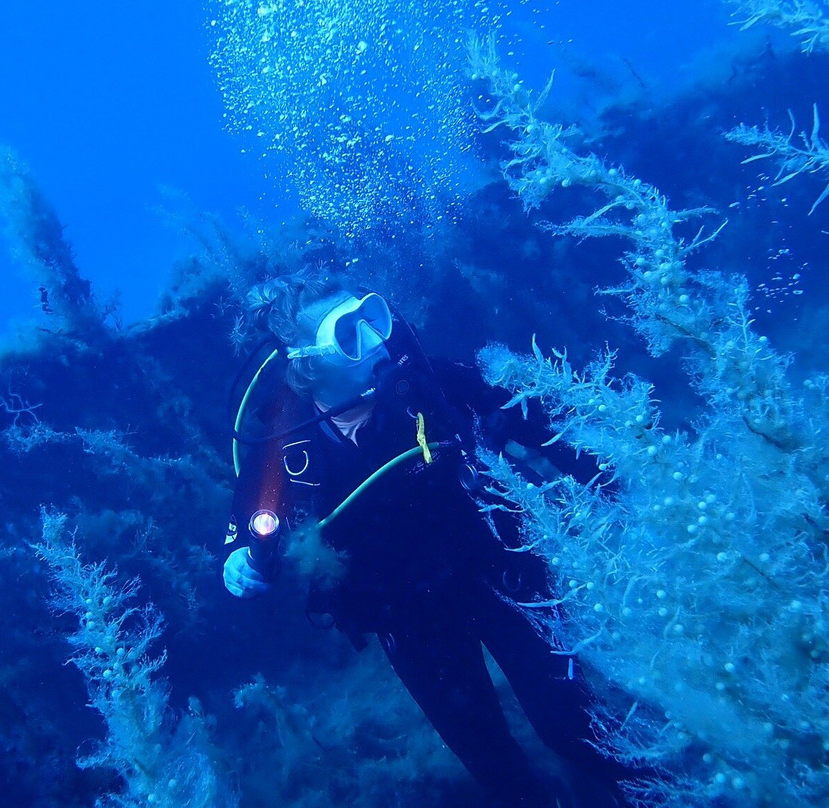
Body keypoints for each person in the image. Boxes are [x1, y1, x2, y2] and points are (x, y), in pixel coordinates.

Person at [222, 272, 632, 807]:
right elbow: (246, 523)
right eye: (349, 334)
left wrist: (614, 481)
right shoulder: (283, 445)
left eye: (372, 319)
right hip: (408, 619)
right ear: (308, 364)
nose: (376, 340)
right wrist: (239, 561)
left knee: (572, 725)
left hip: (496, 572)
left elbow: (534, 417)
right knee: (494, 764)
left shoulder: (428, 383)